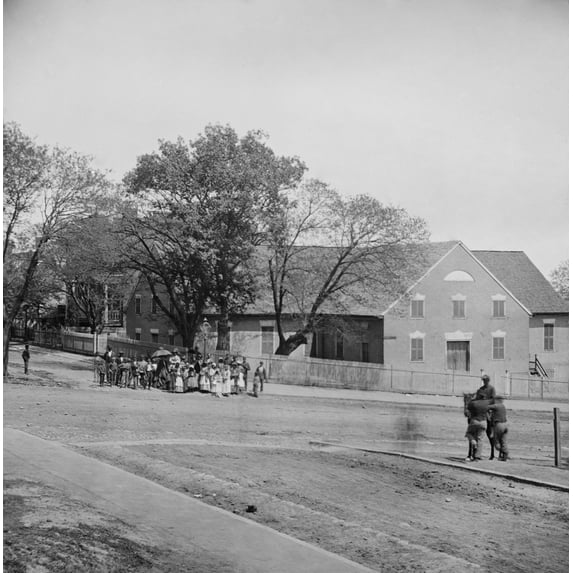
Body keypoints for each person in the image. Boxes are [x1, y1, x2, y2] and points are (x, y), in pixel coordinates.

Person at [465, 397, 490, 461]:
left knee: (468, 433)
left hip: (474, 421)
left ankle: (473, 442)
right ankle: (477, 456)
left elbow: (467, 414)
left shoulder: (473, 404)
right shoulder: (486, 405)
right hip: (483, 422)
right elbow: (488, 417)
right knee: (480, 439)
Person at [488, 396, 509, 461]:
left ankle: (502, 452)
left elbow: (486, 407)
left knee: (496, 441)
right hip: (505, 425)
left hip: (498, 425)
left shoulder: (496, 406)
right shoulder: (503, 406)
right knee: (503, 441)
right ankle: (505, 455)